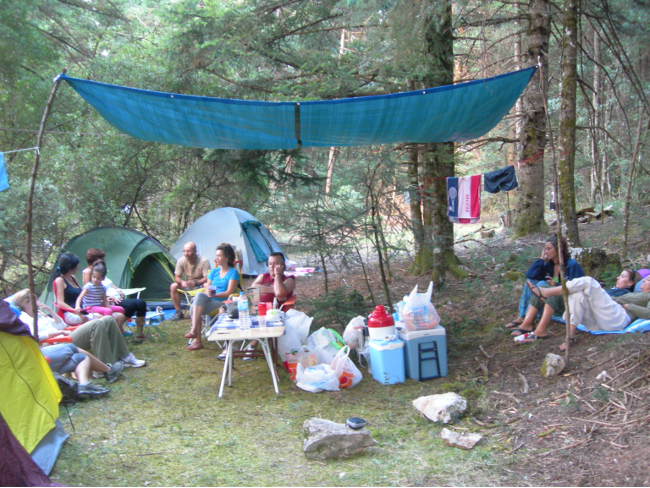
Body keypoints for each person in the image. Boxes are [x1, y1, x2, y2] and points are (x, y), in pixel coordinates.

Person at [7, 290, 126, 391]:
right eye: (35, 299)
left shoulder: (39, 314)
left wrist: (50, 311)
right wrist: (57, 333)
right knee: (96, 324)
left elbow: (62, 325)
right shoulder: (23, 319)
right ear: (26, 303)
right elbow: (33, 336)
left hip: (64, 338)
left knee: (108, 319)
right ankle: (105, 369)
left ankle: (124, 357)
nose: (38, 301)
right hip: (58, 344)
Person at [528, 275, 650, 350]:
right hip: (603, 320)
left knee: (589, 281)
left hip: (619, 318)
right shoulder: (635, 293)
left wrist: (627, 306)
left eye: (648, 279)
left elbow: (648, 313)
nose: (644, 281)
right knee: (578, 294)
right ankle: (569, 337)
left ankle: (548, 293)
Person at [511, 235, 584, 342]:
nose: (546, 252)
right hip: (553, 302)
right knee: (538, 284)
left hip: (570, 304)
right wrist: (541, 260)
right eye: (544, 249)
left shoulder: (571, 265)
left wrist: (557, 285)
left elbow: (578, 288)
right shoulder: (549, 266)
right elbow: (530, 275)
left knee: (546, 288)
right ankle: (526, 323)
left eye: (549, 249)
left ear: (558, 250)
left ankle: (540, 331)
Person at [83, 248, 149, 343]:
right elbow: (91, 292)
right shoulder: (90, 273)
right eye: (101, 258)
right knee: (132, 305)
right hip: (108, 301)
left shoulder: (100, 270)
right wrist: (107, 299)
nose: (104, 260)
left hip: (116, 297)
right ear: (95, 259)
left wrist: (118, 290)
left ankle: (139, 334)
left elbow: (110, 284)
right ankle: (117, 329)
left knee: (141, 303)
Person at [240, 252, 296, 361]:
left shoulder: (289, 280)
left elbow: (280, 293)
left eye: (276, 264)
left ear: (283, 265)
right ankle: (230, 346)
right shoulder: (263, 276)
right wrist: (273, 290)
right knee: (231, 310)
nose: (272, 267)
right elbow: (253, 288)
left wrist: (278, 275)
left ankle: (253, 345)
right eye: (270, 264)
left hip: (273, 313)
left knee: (262, 315)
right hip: (253, 307)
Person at [53, 253, 127, 332]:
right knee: (105, 318)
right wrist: (78, 313)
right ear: (71, 267)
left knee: (119, 315)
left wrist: (103, 300)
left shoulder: (73, 278)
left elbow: (83, 296)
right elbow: (60, 303)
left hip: (83, 309)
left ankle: (112, 336)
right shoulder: (60, 280)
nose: (78, 266)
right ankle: (103, 337)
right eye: (77, 264)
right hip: (71, 313)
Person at [185, 244, 239, 351]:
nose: (216, 258)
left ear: (227, 257)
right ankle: (195, 333)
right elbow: (207, 289)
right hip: (210, 300)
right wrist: (208, 292)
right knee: (199, 297)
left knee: (194, 306)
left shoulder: (233, 273)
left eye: (219, 256)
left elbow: (229, 292)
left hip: (223, 303)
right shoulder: (214, 272)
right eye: (216, 255)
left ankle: (196, 336)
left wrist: (214, 295)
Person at [170, 242, 211, 321]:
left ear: (195, 251)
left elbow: (207, 278)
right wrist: (182, 282)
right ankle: (178, 312)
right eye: (184, 251)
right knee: (173, 286)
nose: (186, 253)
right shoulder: (181, 261)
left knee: (207, 285)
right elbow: (177, 277)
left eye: (189, 251)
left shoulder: (203, 261)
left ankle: (204, 312)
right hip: (188, 285)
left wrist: (196, 283)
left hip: (200, 285)